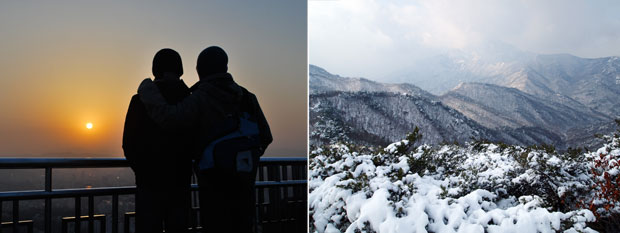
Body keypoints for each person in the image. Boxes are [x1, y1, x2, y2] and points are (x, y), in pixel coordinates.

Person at [137, 46, 272, 233]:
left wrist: (147, 90)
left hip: (213, 183)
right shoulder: (247, 97)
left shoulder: (200, 98)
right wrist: (242, 159)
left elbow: (170, 119)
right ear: (225, 67)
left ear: (200, 70)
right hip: (244, 183)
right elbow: (265, 136)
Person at [122, 48, 193, 233]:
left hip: (148, 183)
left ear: (155, 70)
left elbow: (128, 143)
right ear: (179, 70)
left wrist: (143, 170)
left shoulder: (139, 101)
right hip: (180, 181)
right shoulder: (190, 101)